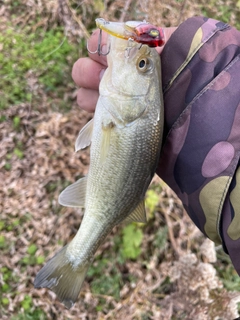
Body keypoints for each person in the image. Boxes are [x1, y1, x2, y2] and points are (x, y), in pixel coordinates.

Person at [72, 16, 240, 277]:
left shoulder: (125, 111)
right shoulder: (127, 110)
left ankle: (75, 258)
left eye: (141, 65)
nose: (140, 59)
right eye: (143, 64)